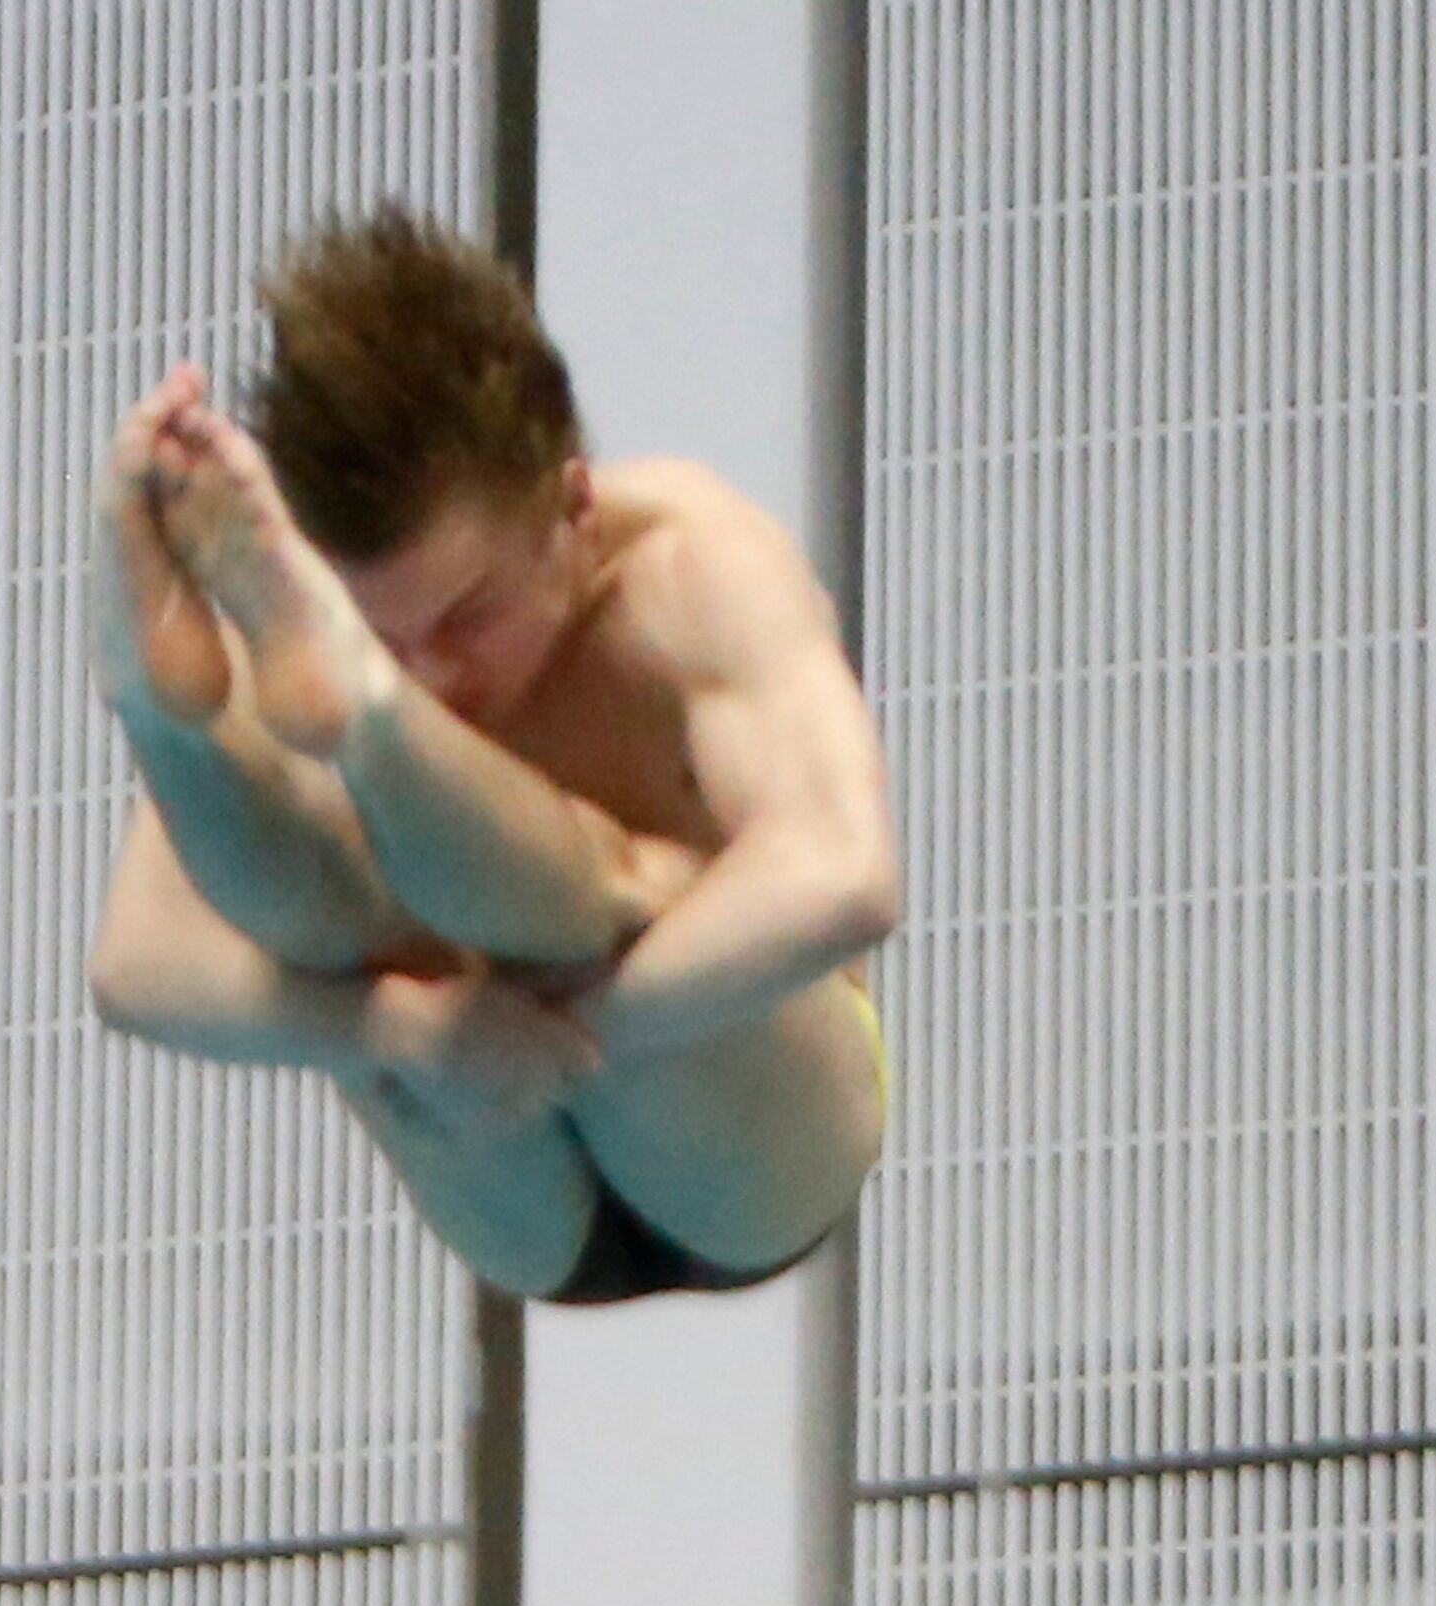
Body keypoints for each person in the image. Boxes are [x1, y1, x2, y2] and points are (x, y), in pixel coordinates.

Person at [86, 205, 897, 1305]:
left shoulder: (687, 563)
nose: (438, 671)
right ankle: (151, 710)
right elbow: (136, 969)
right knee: (339, 932)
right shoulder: (294, 595)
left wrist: (574, 1033)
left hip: (748, 1136)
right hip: (506, 1179)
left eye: (467, 615)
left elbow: (846, 881)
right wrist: (406, 1030)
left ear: (570, 505)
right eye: (384, 640)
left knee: (609, 885)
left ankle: (360, 731)